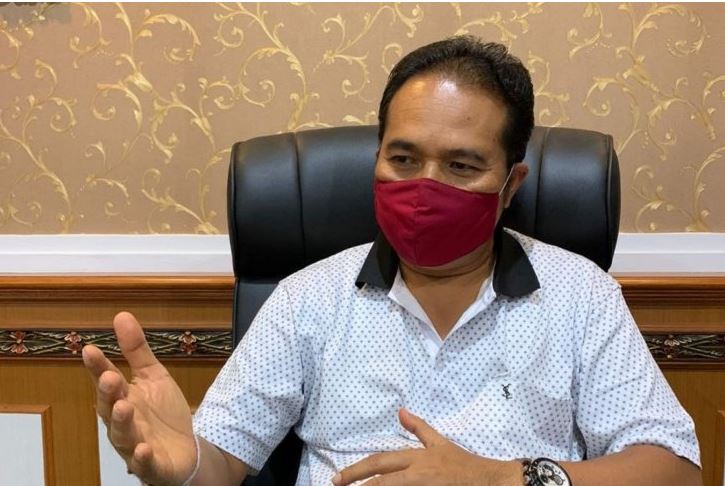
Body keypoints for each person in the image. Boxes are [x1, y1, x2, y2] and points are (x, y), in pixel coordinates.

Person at [82, 36, 702, 486]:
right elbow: (221, 458)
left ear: (511, 185)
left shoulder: (579, 293)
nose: (425, 187)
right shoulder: (307, 298)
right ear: (376, 159)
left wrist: (504, 479)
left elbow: (673, 469)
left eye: (461, 165)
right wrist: (185, 463)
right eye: (403, 160)